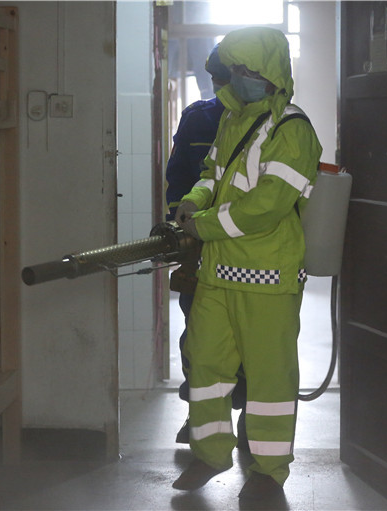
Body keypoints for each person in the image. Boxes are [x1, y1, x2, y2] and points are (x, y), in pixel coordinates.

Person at [172, 27, 322, 501]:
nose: (239, 77)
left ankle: (268, 471)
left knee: (269, 378)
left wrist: (204, 226)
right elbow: (210, 175)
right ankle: (209, 454)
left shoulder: (292, 130)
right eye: (234, 68)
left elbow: (267, 206)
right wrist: (193, 201)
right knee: (205, 365)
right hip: (218, 271)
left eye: (247, 69)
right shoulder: (232, 119)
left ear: (271, 73)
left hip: (267, 275)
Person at [165, 44, 248, 447]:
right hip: (199, 249)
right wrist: (182, 229)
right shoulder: (198, 118)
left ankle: (250, 419)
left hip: (251, 250)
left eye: (224, 79)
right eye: (214, 80)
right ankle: (197, 415)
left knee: (251, 340)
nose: (218, 87)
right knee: (198, 338)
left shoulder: (272, 122)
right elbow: (179, 178)